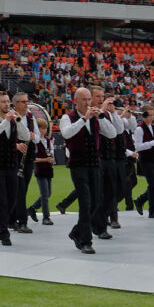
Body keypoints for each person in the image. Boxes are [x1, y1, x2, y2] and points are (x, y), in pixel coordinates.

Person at [60, 87, 117, 254]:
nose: (87, 103)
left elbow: (112, 133)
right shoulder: (67, 117)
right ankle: (85, 241)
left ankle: (76, 232)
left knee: (95, 202)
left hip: (94, 165)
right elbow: (67, 134)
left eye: (88, 99)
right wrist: (83, 119)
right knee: (85, 202)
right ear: (75, 101)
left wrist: (102, 117)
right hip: (78, 165)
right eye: (84, 100)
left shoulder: (96, 117)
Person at [0, 91, 29, 246]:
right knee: (2, 199)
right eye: (3, 102)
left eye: (8, 101)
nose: (6, 104)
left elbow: (26, 136)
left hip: (11, 164)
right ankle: (3, 232)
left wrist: (18, 121)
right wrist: (4, 122)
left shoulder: (15, 119)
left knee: (13, 198)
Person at [89, 86, 124, 236]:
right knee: (99, 195)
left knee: (114, 192)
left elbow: (118, 131)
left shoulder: (105, 114)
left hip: (111, 158)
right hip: (97, 158)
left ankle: (100, 221)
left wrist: (113, 112)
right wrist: (102, 111)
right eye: (98, 97)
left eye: (102, 97)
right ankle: (99, 226)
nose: (101, 100)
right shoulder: (89, 113)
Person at [11, 93, 39, 234]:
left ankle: (12, 218)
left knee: (23, 189)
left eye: (26, 101)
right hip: (14, 157)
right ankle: (22, 222)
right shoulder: (10, 117)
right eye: (22, 102)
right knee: (20, 191)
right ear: (15, 104)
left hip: (27, 158)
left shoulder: (30, 117)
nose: (26, 104)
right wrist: (15, 144)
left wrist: (34, 137)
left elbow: (38, 137)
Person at [132, 105, 154, 219]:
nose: (152, 117)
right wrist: (152, 143)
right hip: (145, 160)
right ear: (144, 115)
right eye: (149, 115)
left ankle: (140, 200)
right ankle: (152, 210)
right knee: (153, 184)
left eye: (152, 115)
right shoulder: (139, 129)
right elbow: (138, 147)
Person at [27, 118, 57, 225]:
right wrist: (46, 159)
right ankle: (46, 217)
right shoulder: (35, 142)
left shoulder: (48, 140)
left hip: (48, 169)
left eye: (45, 128)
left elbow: (51, 151)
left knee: (48, 193)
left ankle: (32, 208)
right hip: (40, 170)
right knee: (45, 194)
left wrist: (51, 157)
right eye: (41, 128)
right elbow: (33, 159)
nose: (44, 130)